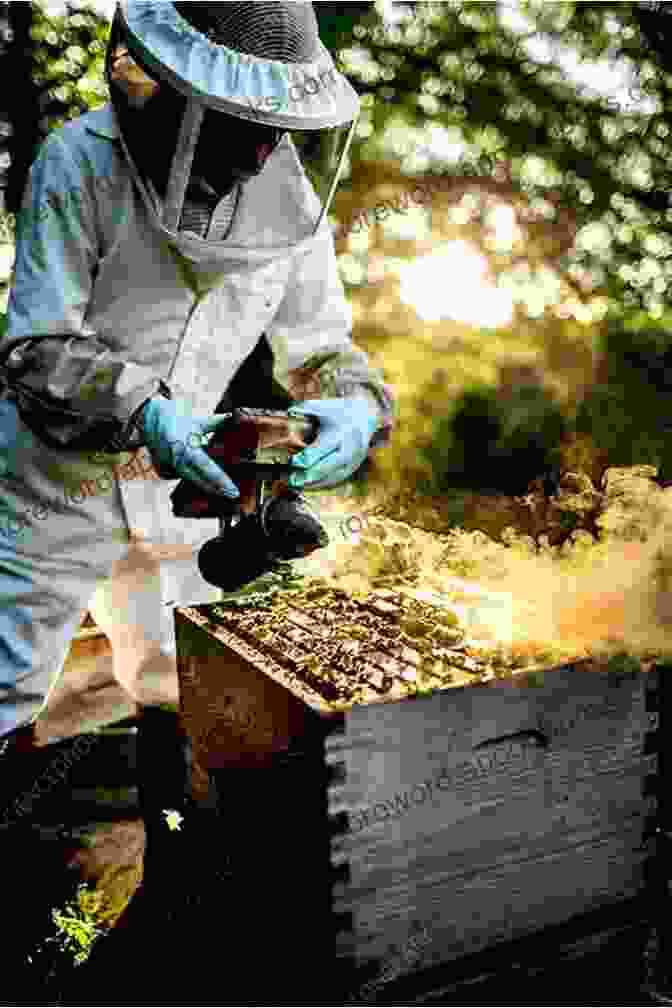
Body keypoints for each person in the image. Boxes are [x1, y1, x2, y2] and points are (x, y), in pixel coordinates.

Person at [0, 1, 394, 838]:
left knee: (177, 685)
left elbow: (323, 351)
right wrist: (143, 408)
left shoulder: (289, 198)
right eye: (241, 124)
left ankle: (172, 881)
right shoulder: (80, 161)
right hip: (44, 484)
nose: (260, 151)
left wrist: (357, 406)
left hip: (176, 492)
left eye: (274, 127)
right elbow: (34, 346)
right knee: (6, 684)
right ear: (176, 96)